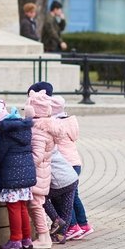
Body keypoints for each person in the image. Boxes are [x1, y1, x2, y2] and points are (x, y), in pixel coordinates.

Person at [0, 98, 36, 249]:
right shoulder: (23, 127)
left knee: (14, 207)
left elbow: (0, 154)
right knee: (22, 206)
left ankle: (16, 240)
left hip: (11, 174)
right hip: (26, 173)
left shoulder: (4, 131)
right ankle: (26, 239)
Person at [50, 96, 93, 240]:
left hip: (65, 165)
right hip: (75, 163)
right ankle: (83, 225)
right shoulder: (70, 121)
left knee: (65, 198)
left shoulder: (55, 124)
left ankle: (73, 226)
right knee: (74, 196)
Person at [26, 90, 59, 249]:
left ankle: (44, 237)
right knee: (37, 204)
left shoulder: (38, 131)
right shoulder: (45, 128)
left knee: (36, 205)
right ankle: (43, 236)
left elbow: (37, 156)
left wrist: (24, 164)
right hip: (42, 173)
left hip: (38, 174)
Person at [44, 149, 79, 244]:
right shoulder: (53, 145)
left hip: (60, 182)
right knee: (67, 209)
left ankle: (56, 219)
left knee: (41, 198)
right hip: (72, 177)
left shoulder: (42, 146)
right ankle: (61, 235)